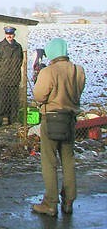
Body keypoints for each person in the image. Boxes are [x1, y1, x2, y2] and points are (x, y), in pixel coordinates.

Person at [31, 38, 85, 217]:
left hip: (51, 119)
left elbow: (39, 96)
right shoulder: (78, 70)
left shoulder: (48, 72)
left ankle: (50, 203)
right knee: (68, 160)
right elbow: (79, 90)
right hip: (70, 120)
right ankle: (69, 201)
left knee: (49, 161)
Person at [0, 25, 23, 126]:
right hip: (2, 78)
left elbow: (20, 60)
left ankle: (12, 120)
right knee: (2, 101)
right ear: (5, 34)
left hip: (15, 78)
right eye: (8, 34)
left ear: (14, 35)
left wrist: (16, 70)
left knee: (14, 102)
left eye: (11, 34)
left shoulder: (18, 47)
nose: (9, 36)